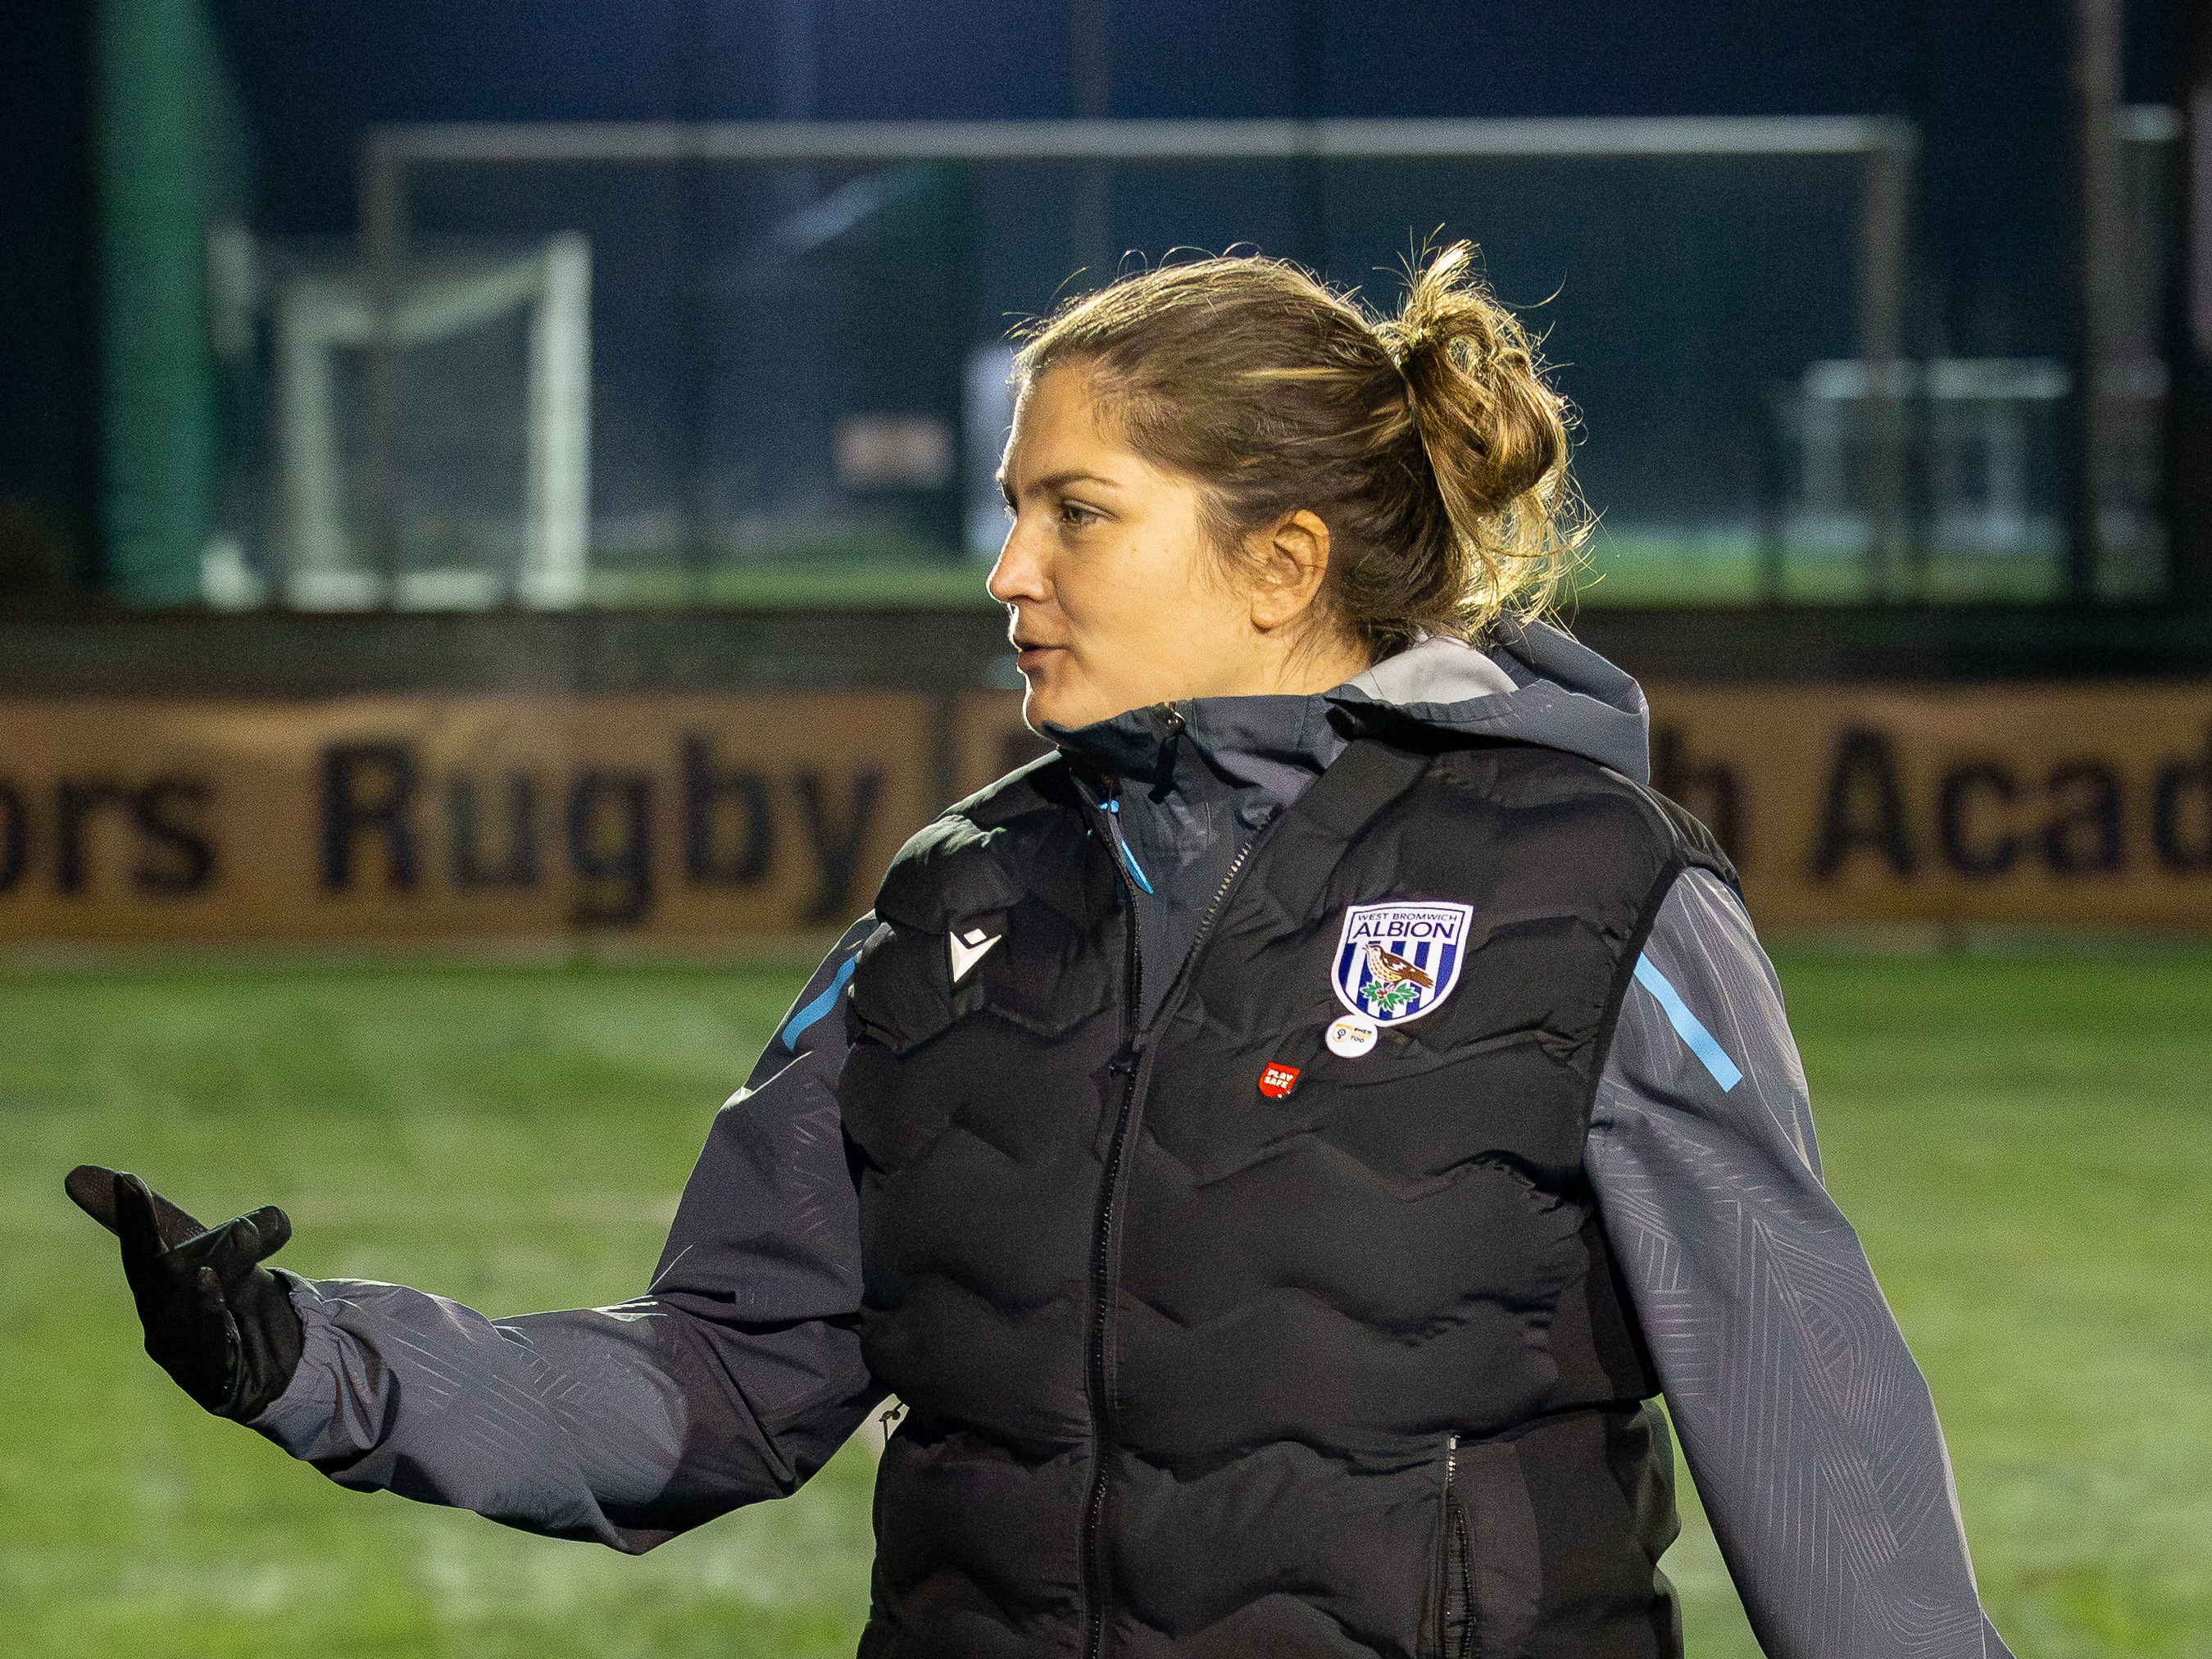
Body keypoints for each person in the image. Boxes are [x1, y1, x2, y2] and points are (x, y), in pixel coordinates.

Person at [73, 245, 2011, 1659]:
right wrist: (319, 1361)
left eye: (1077, 514)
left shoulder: (1598, 888)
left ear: (1281, 563)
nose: (1009, 574)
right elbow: (726, 1378)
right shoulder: (947, 909)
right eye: (1013, 515)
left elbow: (1815, 1440)